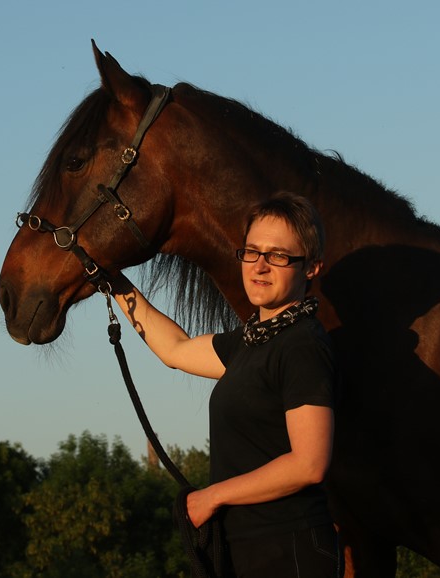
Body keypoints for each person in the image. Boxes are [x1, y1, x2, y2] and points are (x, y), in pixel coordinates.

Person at [112, 191, 340, 577]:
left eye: (278, 256)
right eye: (252, 252)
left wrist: (212, 497)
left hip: (288, 549)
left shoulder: (302, 345)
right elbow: (176, 349)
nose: (260, 267)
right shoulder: (249, 342)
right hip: (247, 549)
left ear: (311, 268)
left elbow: (310, 464)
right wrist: (114, 283)